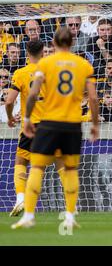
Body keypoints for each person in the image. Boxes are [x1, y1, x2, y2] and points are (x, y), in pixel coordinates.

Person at [11, 28, 99, 229]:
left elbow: (32, 95)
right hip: (73, 125)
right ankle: (69, 216)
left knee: (36, 168)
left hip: (49, 122)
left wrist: (26, 118)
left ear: (54, 43)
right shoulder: (83, 64)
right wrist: (95, 124)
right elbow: (93, 98)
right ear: (72, 42)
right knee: (69, 170)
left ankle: (29, 215)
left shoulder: (45, 63)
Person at [5, 40, 67, 217]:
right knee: (60, 162)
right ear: (43, 52)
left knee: (21, 162)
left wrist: (10, 118)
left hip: (31, 125)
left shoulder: (20, 73)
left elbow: (9, 101)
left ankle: (20, 199)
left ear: (26, 51)